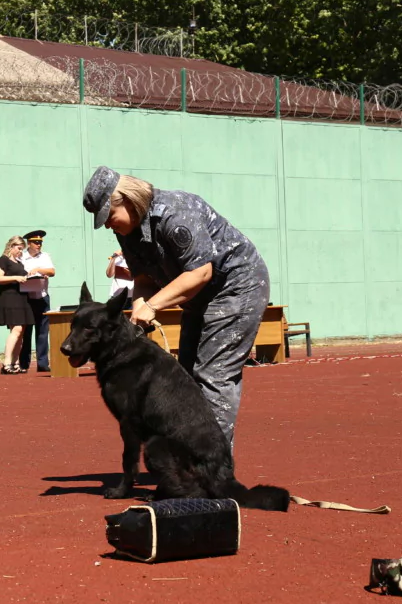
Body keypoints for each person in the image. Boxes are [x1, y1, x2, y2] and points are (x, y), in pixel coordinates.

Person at [81, 165, 270, 448]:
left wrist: (154, 306)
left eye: (108, 216)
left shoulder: (176, 212)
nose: (107, 224)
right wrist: (138, 315)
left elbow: (200, 273)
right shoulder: (127, 230)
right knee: (185, 376)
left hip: (236, 286)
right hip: (199, 297)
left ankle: (212, 469)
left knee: (212, 375)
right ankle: (190, 460)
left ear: (127, 201)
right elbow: (143, 277)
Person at [0, 236, 33, 374]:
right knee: (15, 330)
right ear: (11, 246)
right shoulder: (3, 259)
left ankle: (15, 362)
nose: (20, 251)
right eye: (18, 248)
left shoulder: (19, 263)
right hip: (10, 298)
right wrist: (15, 277)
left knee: (21, 331)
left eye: (22, 249)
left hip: (22, 297)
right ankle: (6, 363)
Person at [18, 229, 56, 374]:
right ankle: (24, 363)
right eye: (35, 242)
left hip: (42, 296)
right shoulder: (22, 257)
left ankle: (42, 363)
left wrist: (40, 269)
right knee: (26, 331)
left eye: (40, 242)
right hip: (26, 297)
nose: (38, 245)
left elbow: (52, 271)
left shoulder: (45, 256)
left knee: (42, 331)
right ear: (29, 243)